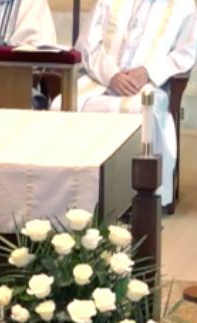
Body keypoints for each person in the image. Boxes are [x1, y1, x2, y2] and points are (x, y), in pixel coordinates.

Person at [53, 0, 197, 209]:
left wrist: (147, 72)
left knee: (143, 112)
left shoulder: (183, 5)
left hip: (147, 85)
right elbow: (86, 44)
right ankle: (68, 192)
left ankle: (141, 196)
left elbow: (186, 52)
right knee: (61, 105)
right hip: (99, 79)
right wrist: (111, 76)